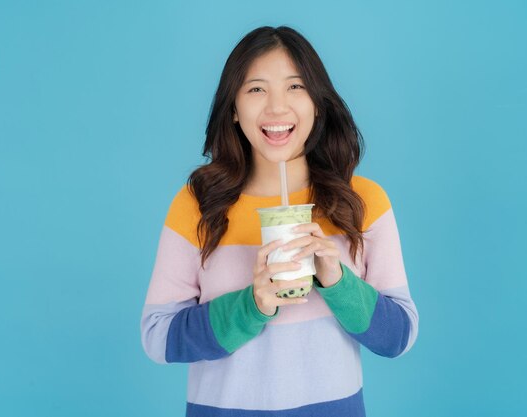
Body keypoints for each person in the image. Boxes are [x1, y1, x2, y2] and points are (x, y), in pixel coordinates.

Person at [140, 25, 418, 417]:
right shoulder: (197, 205)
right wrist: (249, 306)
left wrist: (338, 283)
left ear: (317, 104)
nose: (276, 108)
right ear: (233, 109)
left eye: (295, 87)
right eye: (256, 89)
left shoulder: (363, 202)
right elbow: (157, 337)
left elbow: (400, 337)